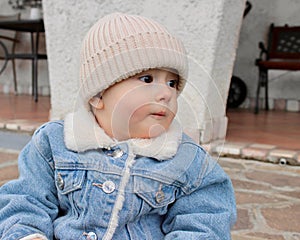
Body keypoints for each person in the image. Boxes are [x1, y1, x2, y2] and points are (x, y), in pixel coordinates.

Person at [0, 13, 236, 240]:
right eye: (147, 79)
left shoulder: (187, 159)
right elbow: (27, 199)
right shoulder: (54, 143)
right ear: (98, 94)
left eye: (172, 83)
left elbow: (204, 220)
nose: (166, 93)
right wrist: (27, 234)